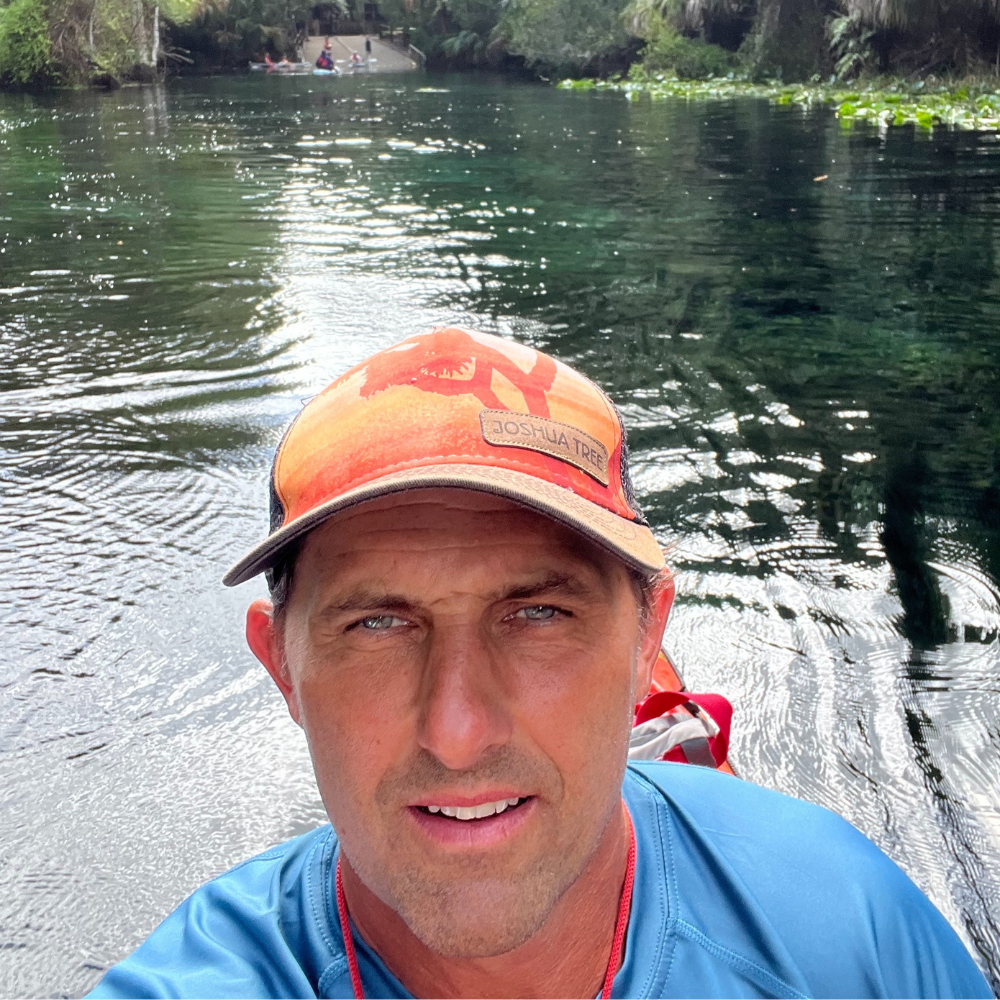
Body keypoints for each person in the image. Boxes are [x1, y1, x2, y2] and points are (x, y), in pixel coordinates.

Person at [86, 328, 992, 1000]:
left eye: (538, 614)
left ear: (647, 638)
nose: (458, 732)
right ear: (280, 665)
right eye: (378, 625)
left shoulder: (847, 934)